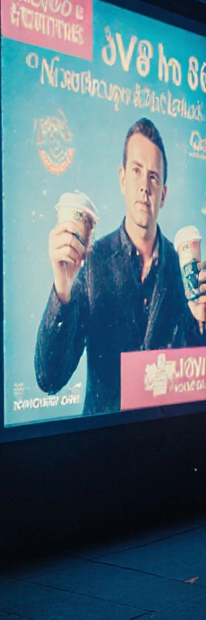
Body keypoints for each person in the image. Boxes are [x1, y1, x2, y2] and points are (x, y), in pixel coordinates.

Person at [36, 118, 206, 416]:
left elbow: (194, 384)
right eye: (137, 171)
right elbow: (49, 378)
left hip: (165, 447)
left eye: (153, 177)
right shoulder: (94, 261)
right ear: (122, 179)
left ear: (163, 194)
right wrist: (62, 290)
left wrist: (201, 323)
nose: (144, 186)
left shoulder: (183, 270)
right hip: (105, 450)